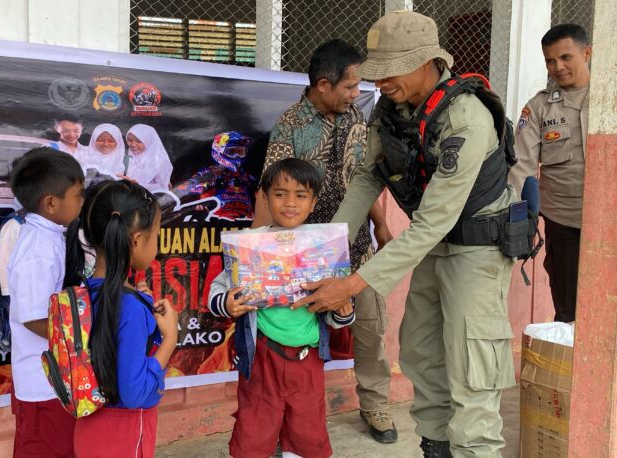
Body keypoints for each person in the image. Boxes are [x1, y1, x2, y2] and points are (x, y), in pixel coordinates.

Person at [295, 12, 518, 457]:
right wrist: (325, 250)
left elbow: (431, 222)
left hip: (476, 251)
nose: (380, 82)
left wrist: (351, 285)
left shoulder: (467, 119)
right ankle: (435, 447)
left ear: (427, 62)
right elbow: (367, 178)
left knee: (471, 374)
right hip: (433, 248)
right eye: (376, 71)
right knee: (422, 355)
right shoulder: (391, 110)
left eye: (390, 70)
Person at [254, 38, 397, 443]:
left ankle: (375, 404)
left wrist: (382, 226)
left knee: (369, 328)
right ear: (323, 84)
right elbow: (270, 190)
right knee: (291, 336)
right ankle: (283, 424)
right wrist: (257, 249)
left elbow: (362, 180)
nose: (356, 93)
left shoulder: (357, 118)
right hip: (305, 258)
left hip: (357, 250)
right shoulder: (290, 126)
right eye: (350, 86)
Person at [209, 158, 356, 458]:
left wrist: (342, 312)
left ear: (313, 203)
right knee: (255, 427)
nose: (290, 203)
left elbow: (334, 309)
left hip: (308, 358)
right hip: (263, 356)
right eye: (280, 194)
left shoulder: (323, 249)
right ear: (265, 198)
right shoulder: (250, 247)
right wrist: (227, 303)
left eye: (301, 195)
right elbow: (218, 289)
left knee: (306, 428)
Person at [69, 180, 178, 458]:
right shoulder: (130, 307)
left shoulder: (83, 294)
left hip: (88, 429)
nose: (156, 243)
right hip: (125, 435)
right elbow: (134, 393)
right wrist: (169, 339)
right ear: (137, 240)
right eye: (156, 235)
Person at [509, 23, 591, 323]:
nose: (558, 67)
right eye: (550, 61)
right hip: (564, 221)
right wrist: (514, 220)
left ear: (587, 53)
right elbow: (520, 167)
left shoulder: (610, 96)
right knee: (568, 311)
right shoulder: (539, 108)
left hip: (610, 221)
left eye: (566, 57)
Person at [6, 148, 85, 457]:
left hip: (57, 381)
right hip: (42, 385)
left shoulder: (51, 236)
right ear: (51, 203)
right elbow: (34, 318)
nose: (82, 201)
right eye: (78, 195)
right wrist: (81, 340)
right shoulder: (37, 250)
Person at [122, 124, 173, 192]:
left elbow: (163, 188)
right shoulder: (127, 155)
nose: (133, 144)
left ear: (148, 141)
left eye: (139, 141)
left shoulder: (159, 162)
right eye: (130, 140)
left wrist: (137, 184)